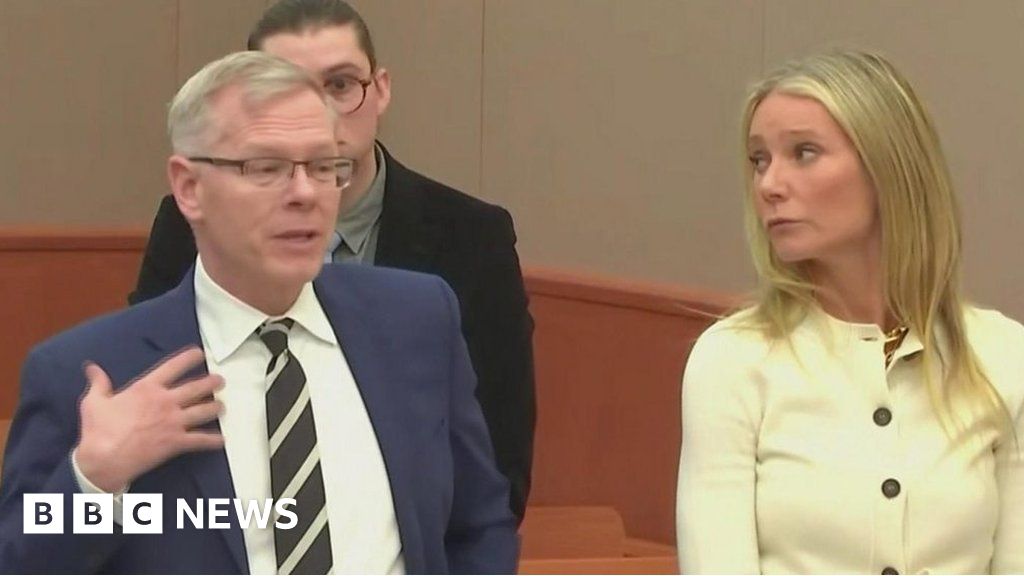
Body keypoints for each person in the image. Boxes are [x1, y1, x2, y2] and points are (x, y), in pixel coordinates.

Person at [0, 51, 517, 574]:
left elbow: (479, 523)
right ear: (189, 188)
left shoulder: (416, 318)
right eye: (266, 168)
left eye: (324, 167)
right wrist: (93, 480)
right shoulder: (92, 374)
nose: (305, 194)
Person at [129, 0, 535, 523]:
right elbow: (148, 395)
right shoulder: (193, 221)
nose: (316, 113)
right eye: (287, 89)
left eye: (340, 85)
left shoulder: (472, 237)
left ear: (380, 89)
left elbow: (498, 465)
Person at [675, 50, 1023, 574]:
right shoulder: (733, 361)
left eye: (804, 152)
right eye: (759, 160)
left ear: (889, 167)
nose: (769, 184)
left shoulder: (1003, 355)